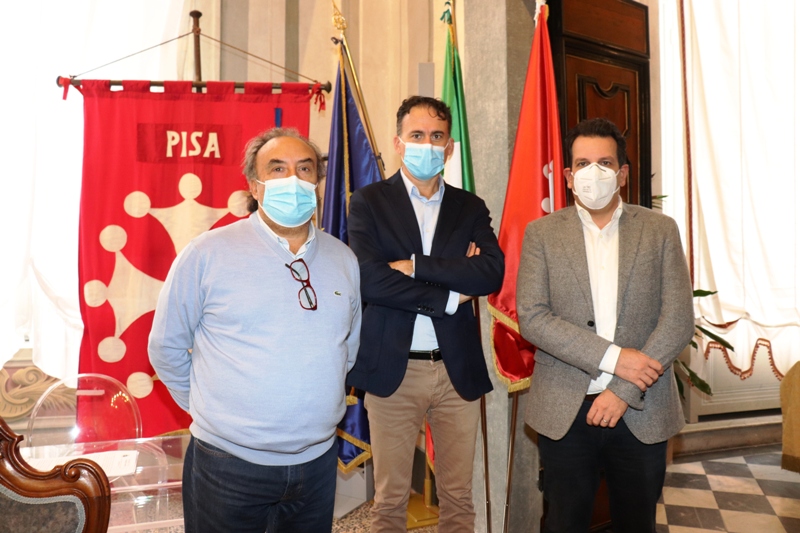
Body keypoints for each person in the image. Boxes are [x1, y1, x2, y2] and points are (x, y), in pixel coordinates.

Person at [148, 128, 362, 533]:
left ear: (318, 182)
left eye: (305, 169)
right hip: (228, 465)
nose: (293, 180)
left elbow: (346, 350)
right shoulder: (207, 253)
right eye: (277, 169)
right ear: (253, 185)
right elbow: (166, 347)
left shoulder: (344, 259)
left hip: (317, 464)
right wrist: (213, 413)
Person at [516, 117, 695, 533]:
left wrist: (622, 389)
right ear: (567, 176)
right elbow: (534, 318)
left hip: (641, 409)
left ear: (623, 173)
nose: (592, 173)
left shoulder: (660, 230)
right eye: (582, 164)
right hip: (565, 410)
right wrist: (616, 359)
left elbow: (678, 319)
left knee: (637, 524)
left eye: (604, 163)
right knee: (564, 523)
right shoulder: (541, 234)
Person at [347, 96, 505, 532]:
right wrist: (451, 295)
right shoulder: (369, 202)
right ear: (398, 143)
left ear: (449, 148)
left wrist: (415, 266)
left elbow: (490, 272)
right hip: (393, 371)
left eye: (437, 136)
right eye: (416, 135)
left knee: (459, 499)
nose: (427, 144)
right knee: (389, 501)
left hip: (457, 371)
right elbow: (370, 280)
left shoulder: (469, 206)